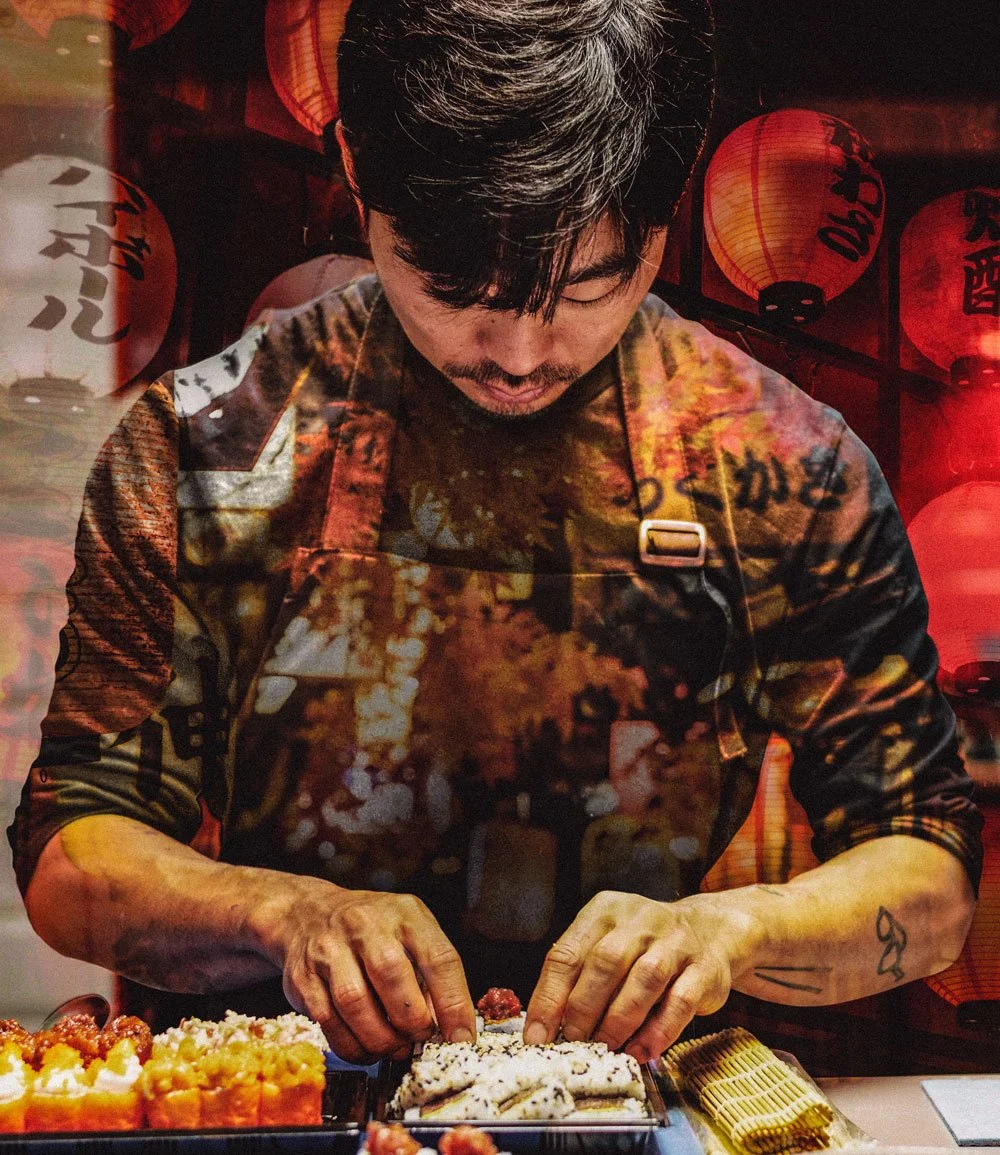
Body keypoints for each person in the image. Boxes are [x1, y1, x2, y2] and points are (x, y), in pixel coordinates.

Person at [9, 0, 981, 1066]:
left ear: (663, 215)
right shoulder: (205, 441)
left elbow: (925, 874)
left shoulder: (784, 461)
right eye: (454, 288)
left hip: (630, 1098)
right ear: (358, 176)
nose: (517, 353)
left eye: (586, 288)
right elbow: (72, 850)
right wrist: (276, 913)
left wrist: (728, 933)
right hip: (273, 1090)